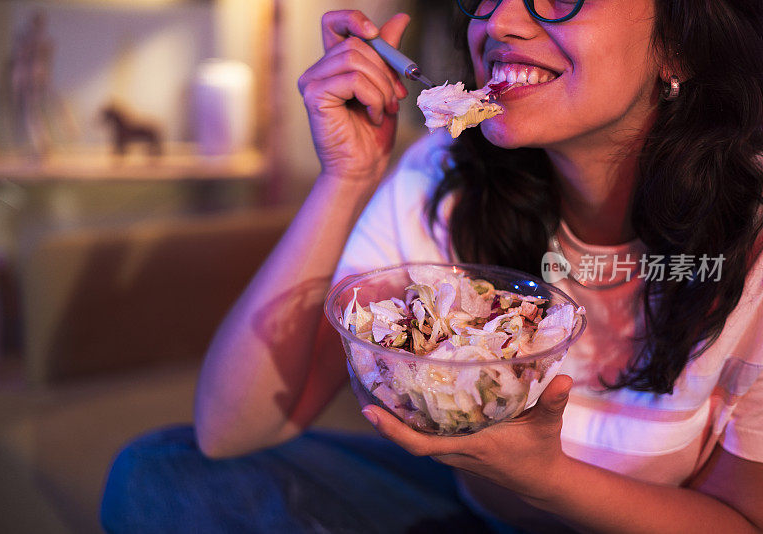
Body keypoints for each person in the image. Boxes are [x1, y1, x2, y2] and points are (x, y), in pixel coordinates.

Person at [101, 1, 763, 532]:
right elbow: (230, 430)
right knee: (161, 473)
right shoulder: (443, 177)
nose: (499, 21)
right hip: (466, 514)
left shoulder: (752, 243)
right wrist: (347, 177)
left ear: (679, 41)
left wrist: (545, 477)